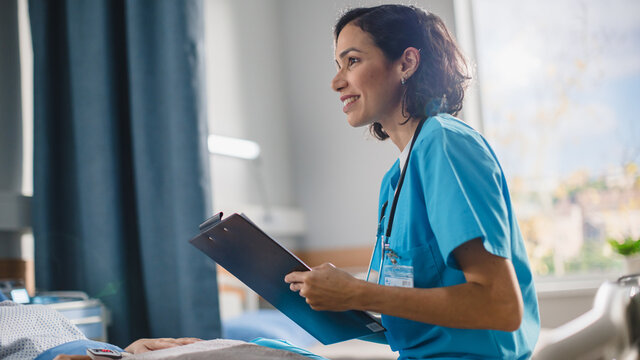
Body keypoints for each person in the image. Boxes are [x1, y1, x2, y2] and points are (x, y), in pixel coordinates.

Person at [285, 4, 540, 359]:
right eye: (338, 65)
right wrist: (333, 299)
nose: (336, 81)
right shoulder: (395, 180)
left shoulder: (445, 143)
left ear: (406, 63)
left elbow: (501, 306)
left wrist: (358, 292)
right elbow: (410, 311)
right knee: (255, 350)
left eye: (353, 61)